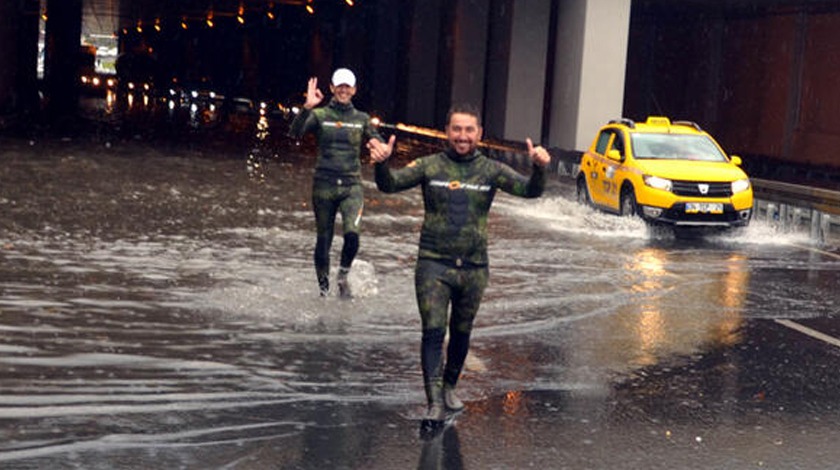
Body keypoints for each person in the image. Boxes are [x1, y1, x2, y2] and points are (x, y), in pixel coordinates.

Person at [367, 104, 551, 420]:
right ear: (447, 131)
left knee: (462, 331)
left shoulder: (490, 170)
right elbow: (390, 184)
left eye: (468, 130)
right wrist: (382, 165)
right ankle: (434, 401)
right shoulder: (429, 165)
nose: (462, 136)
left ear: (478, 134)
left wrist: (540, 168)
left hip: (474, 267)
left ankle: (450, 387)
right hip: (433, 264)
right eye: (456, 129)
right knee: (433, 331)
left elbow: (530, 191)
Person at [288, 68, 384, 298]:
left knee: (353, 234)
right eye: (339, 85)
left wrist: (382, 149)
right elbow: (294, 133)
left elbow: (377, 140)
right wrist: (307, 107)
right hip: (324, 186)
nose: (343, 89)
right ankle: (323, 291)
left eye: (347, 86)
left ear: (354, 90)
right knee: (324, 240)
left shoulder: (361, 119)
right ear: (332, 88)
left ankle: (342, 275)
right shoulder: (320, 116)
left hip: (352, 186)